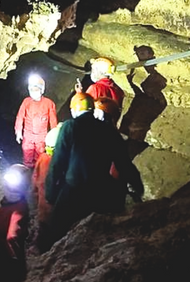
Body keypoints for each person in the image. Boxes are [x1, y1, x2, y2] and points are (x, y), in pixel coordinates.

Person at [44, 92, 144, 251]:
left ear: (74, 110)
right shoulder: (107, 130)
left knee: (56, 231)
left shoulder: (70, 127)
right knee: (95, 236)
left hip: (73, 189)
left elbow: (58, 163)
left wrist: (50, 192)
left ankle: (47, 257)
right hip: (99, 190)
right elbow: (123, 163)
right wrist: (137, 186)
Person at [119, 46, 168, 160]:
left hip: (134, 125)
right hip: (139, 123)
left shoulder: (127, 126)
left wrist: (131, 83)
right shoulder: (156, 103)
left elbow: (139, 96)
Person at [0, 164, 31, 282]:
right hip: (1, 246)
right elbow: (1, 211)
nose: (8, 190)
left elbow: (11, 237)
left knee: (3, 273)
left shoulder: (18, 210)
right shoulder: (11, 203)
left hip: (5, 253)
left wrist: (13, 256)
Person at [15, 74, 58, 169]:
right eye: (31, 90)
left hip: (42, 136)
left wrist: (54, 137)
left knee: (40, 154)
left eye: (36, 90)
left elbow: (53, 121)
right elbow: (20, 117)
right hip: (28, 134)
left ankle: (38, 172)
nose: (33, 92)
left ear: (41, 90)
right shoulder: (26, 102)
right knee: (27, 152)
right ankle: (27, 171)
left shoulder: (48, 103)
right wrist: (18, 132)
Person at [31, 123, 61, 253]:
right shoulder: (60, 162)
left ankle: (40, 245)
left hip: (43, 200)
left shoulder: (43, 158)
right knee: (49, 226)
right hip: (54, 203)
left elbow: (35, 177)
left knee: (43, 224)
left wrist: (34, 193)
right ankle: (44, 247)